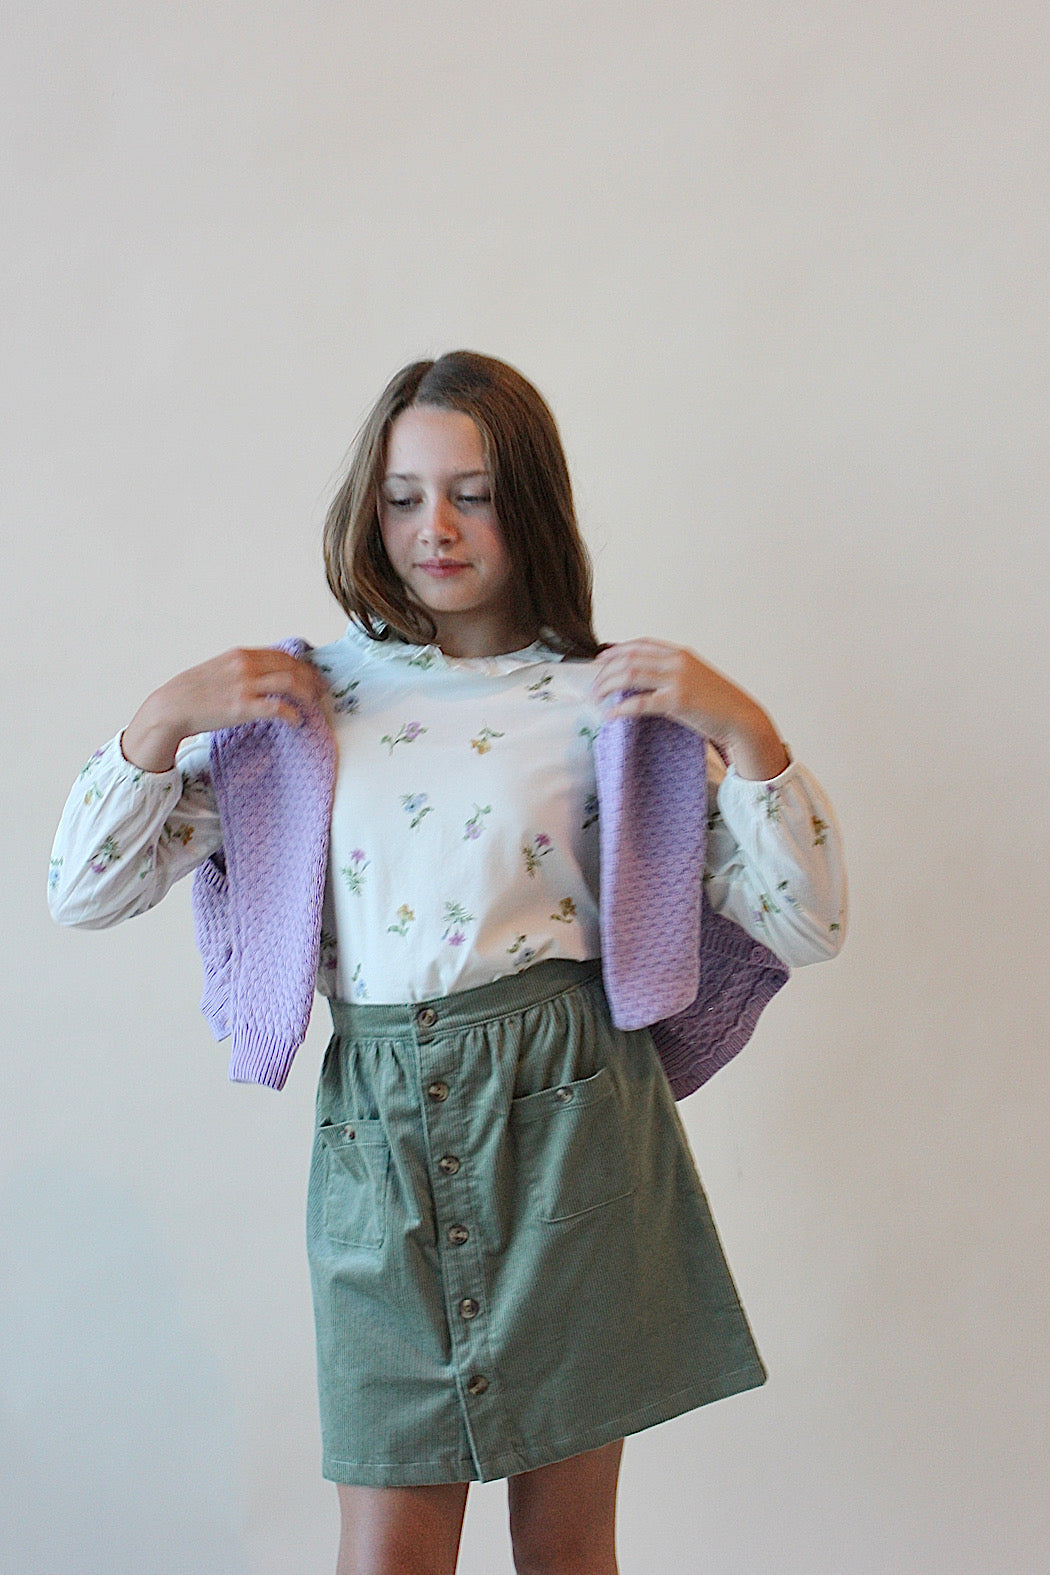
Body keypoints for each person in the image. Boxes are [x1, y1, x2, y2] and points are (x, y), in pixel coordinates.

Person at [49, 351, 847, 1575]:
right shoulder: (302, 704)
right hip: (379, 1132)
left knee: (566, 1550)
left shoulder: (611, 704)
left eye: (474, 495)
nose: (437, 529)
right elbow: (84, 893)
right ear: (369, 510)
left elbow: (808, 922)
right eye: (404, 496)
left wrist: (747, 733)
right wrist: (160, 720)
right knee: (389, 1555)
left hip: (572, 1124)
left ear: (531, 504)